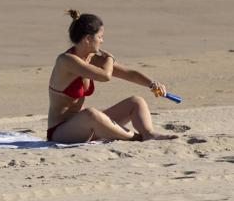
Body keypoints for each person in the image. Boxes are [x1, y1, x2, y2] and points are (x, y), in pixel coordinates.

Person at [47, 9, 178, 143]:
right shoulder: (67, 61)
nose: (102, 41)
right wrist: (109, 58)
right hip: (61, 132)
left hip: (84, 127)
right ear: (87, 39)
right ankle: (137, 138)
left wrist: (152, 83)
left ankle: (148, 133)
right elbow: (105, 76)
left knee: (136, 101)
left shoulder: (91, 58)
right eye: (100, 37)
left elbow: (129, 73)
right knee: (90, 113)